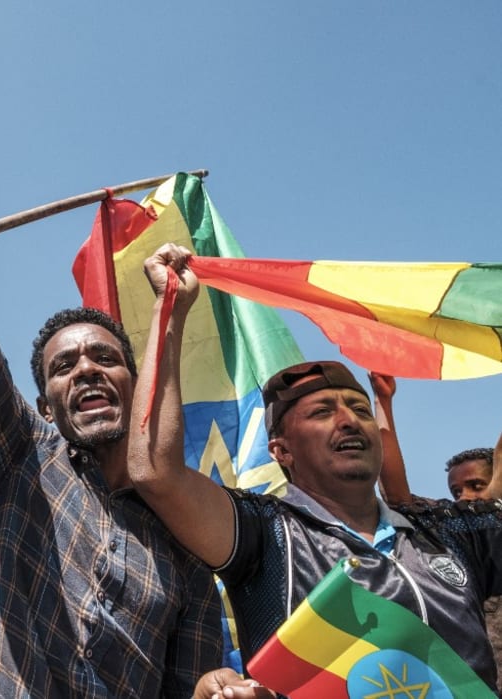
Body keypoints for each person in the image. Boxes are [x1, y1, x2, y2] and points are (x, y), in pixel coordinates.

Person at [0, 27, 222, 697]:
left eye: (106, 358)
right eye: (64, 365)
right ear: (44, 406)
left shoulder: (188, 539)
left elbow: (191, 685)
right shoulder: (24, 458)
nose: (86, 369)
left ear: (137, 387)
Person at [128, 242, 502, 689]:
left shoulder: (447, 532)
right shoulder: (263, 534)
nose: (349, 421)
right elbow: (154, 469)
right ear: (281, 451)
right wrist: (169, 312)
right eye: (323, 412)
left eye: (360, 410)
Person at [374, 374, 502, 692]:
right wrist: (383, 401)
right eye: (456, 491)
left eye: (476, 485)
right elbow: (396, 496)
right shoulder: (450, 531)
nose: (465, 498)